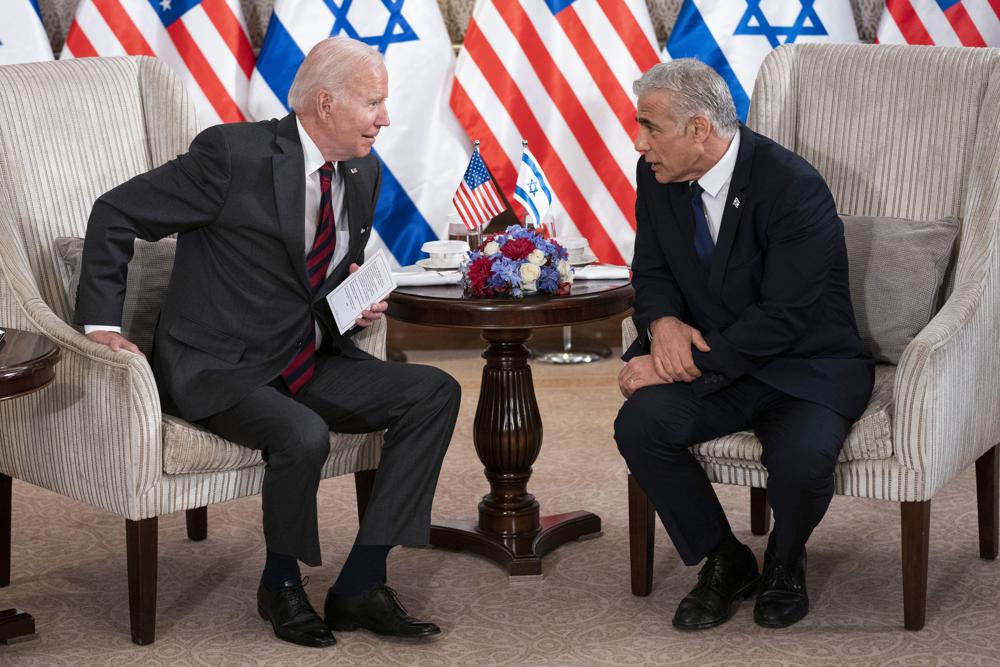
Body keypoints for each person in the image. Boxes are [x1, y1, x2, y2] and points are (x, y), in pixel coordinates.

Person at [76, 36, 461, 648]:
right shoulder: (232, 154)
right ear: (327, 103)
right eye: (375, 103)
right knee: (300, 434)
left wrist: (355, 304)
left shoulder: (363, 169)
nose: (386, 118)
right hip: (218, 364)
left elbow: (321, 275)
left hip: (305, 356)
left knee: (434, 392)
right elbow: (115, 212)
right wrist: (101, 325)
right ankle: (279, 583)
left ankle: (361, 581)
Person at [614, 59, 874, 631]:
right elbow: (652, 271)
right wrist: (661, 327)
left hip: (803, 365)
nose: (640, 142)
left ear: (699, 129)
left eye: (650, 127)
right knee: (640, 427)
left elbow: (784, 318)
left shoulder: (792, 186)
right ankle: (725, 559)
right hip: (722, 366)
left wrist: (677, 366)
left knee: (801, 463)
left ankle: (785, 561)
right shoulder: (655, 175)